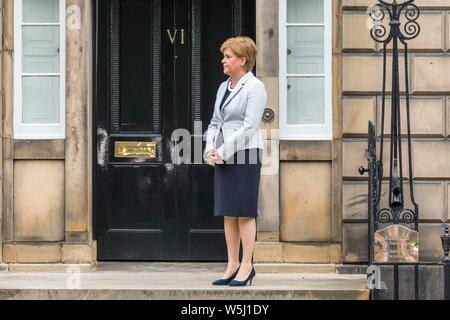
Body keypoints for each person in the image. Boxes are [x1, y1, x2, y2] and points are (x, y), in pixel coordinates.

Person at [203, 36, 267, 287]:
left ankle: (247, 266)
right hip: (222, 154)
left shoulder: (255, 87)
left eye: (228, 56)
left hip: (246, 154)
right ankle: (231, 264)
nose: (223, 60)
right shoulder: (223, 87)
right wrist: (210, 148)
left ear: (243, 60)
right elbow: (215, 122)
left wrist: (224, 150)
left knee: (244, 212)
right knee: (228, 213)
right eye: (224, 56)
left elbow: (250, 126)